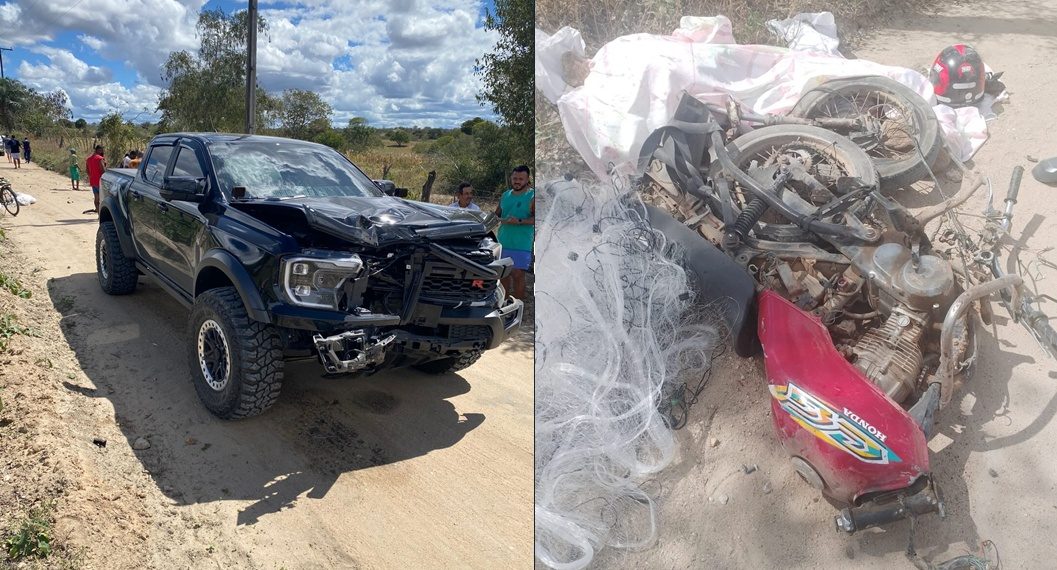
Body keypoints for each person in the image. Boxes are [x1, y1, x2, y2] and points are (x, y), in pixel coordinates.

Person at [495, 165, 534, 299]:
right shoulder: (505, 195)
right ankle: (504, 306)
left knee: (518, 274)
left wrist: (518, 221)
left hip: (521, 243)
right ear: (511, 178)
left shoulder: (532, 196)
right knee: (503, 275)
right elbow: (496, 214)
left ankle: (518, 306)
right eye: (515, 178)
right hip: (503, 240)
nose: (517, 181)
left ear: (527, 179)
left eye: (521, 179)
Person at [86, 145, 107, 213]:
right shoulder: (100, 158)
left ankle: (98, 213)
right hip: (100, 181)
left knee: (96, 198)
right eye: (101, 150)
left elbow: (87, 171)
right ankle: (103, 214)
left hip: (93, 181)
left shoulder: (88, 159)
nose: (102, 151)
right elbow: (103, 170)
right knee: (103, 199)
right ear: (99, 150)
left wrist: (91, 176)